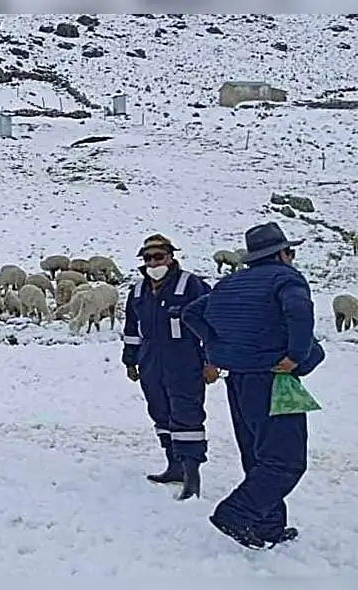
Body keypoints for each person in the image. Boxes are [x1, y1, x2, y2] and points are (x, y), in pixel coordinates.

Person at [182, 221, 325, 549]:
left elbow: (191, 313)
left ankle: (268, 527)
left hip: (240, 381)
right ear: (282, 254)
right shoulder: (286, 278)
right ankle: (237, 513)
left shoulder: (229, 283)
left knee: (259, 455)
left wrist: (218, 347)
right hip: (275, 379)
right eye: (292, 252)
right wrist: (295, 355)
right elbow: (299, 312)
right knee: (286, 461)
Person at [121, 234, 215, 501]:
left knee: (186, 412)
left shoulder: (191, 285)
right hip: (150, 357)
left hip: (183, 356)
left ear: (171, 257)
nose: (153, 262)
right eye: (148, 258)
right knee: (159, 411)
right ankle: (173, 465)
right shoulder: (138, 290)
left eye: (158, 257)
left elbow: (211, 325)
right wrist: (130, 359)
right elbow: (131, 329)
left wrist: (211, 361)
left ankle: (192, 474)